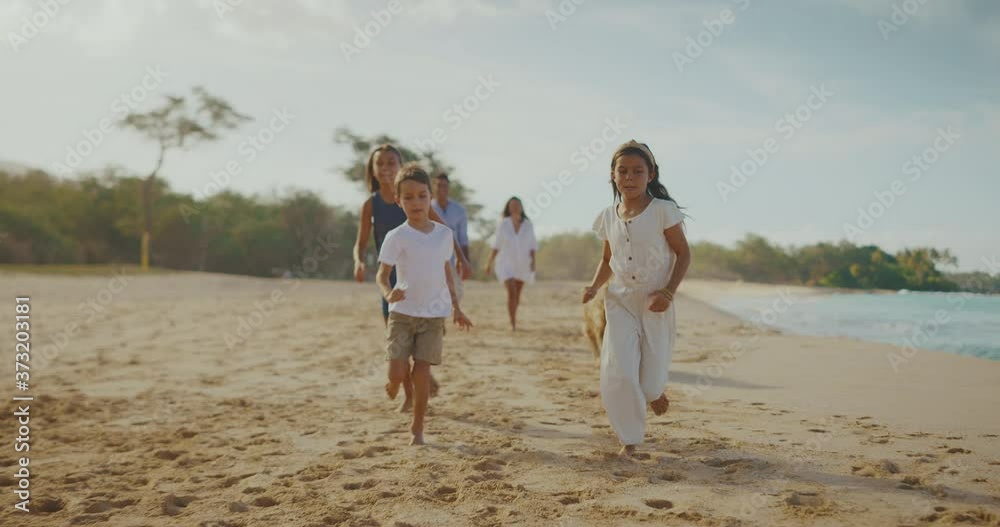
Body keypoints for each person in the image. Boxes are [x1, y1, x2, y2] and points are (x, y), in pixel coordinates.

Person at [582, 140, 691, 458]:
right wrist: (592, 287)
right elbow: (607, 259)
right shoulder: (606, 216)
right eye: (623, 171)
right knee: (618, 370)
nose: (629, 177)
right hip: (620, 301)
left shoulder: (662, 211)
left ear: (651, 174)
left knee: (651, 382)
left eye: (638, 171)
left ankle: (655, 393)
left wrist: (668, 292)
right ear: (613, 176)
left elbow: (683, 253)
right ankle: (630, 440)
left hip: (656, 300)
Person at [353, 144, 471, 409]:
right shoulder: (370, 204)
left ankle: (419, 382)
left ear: (399, 166)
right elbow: (360, 241)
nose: (385, 168)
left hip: (425, 280)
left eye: (391, 163)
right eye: (379, 164)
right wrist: (358, 260)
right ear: (372, 170)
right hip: (393, 284)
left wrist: (462, 260)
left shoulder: (414, 195)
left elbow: (444, 231)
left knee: (422, 339)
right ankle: (410, 390)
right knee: (398, 343)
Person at [376, 163, 473, 446]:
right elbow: (382, 275)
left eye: (421, 196)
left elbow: (447, 271)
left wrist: (456, 307)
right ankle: (393, 381)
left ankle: (417, 428)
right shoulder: (396, 237)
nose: (415, 202)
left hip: (433, 316)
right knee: (397, 371)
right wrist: (387, 292)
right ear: (398, 201)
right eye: (408, 197)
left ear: (430, 197)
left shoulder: (444, 235)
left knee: (422, 371)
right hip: (402, 314)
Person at [485, 197, 537, 331]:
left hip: (523, 264)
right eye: (512, 205)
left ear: (521, 207)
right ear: (508, 208)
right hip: (506, 263)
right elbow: (496, 245)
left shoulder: (528, 224)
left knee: (517, 295)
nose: (514, 208)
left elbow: (532, 245)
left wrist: (533, 263)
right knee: (512, 292)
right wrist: (489, 263)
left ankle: (514, 316)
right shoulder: (504, 224)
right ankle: (512, 323)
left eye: (517, 205)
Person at [431, 173, 470, 301]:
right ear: (433, 187)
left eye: (445, 185)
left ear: (449, 188)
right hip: (430, 260)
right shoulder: (426, 207)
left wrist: (464, 261)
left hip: (452, 260)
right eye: (439, 185)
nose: (442, 188)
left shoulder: (459, 210)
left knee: (453, 296)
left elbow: (463, 238)